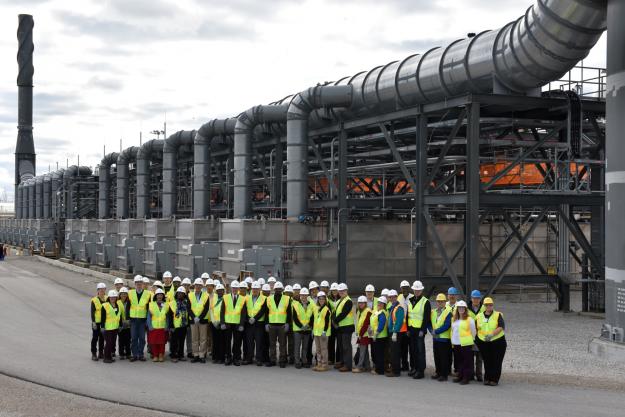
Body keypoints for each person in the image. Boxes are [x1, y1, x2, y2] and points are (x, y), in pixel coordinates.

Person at [475, 297, 506, 386]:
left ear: (493, 305)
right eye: (487, 305)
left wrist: (492, 335)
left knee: (496, 361)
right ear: (484, 306)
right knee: (487, 361)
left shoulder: (498, 315)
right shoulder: (478, 316)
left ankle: (494, 379)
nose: (488, 306)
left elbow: (501, 326)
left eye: (490, 305)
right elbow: (476, 329)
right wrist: (478, 340)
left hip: (498, 342)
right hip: (484, 342)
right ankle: (487, 378)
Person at [407, 280, 431, 379]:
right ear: (413, 290)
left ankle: (421, 371)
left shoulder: (426, 302)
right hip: (411, 328)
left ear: (421, 290)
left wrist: (423, 330)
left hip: (419, 330)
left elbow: (426, 317)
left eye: (418, 290)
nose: (416, 291)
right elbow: (408, 315)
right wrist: (408, 328)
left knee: (420, 350)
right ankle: (414, 368)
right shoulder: (410, 300)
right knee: (413, 350)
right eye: (415, 290)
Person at [220, 280, 246, 366]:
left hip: (237, 324)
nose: (235, 289)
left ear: (238, 289)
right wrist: (222, 322)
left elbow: (243, 313)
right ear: (231, 288)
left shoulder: (242, 299)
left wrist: (242, 324)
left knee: (237, 342)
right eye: (233, 288)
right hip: (227, 323)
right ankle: (228, 357)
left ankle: (236, 358)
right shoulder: (226, 297)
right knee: (227, 341)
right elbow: (222, 311)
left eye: (236, 288)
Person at [451, 300, 476, 385]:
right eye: (459, 308)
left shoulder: (470, 320)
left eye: (463, 308)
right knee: (459, 361)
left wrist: (471, 340)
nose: (461, 309)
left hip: (466, 344)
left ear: (465, 309)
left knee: (466, 361)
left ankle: (466, 378)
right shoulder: (454, 319)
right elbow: (453, 331)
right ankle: (460, 376)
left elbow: (473, 331)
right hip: (456, 343)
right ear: (457, 309)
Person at [266, 281, 291, 368]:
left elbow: (289, 313)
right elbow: (266, 312)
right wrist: (266, 323)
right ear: (274, 289)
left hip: (282, 325)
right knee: (272, 344)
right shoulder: (269, 299)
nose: (278, 290)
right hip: (272, 325)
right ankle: (272, 360)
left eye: (280, 289)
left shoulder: (287, 299)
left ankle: (282, 360)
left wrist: (287, 323)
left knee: (282, 344)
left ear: (282, 290)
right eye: (277, 289)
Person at [429, 293, 452, 381]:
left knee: (444, 357)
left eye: (442, 302)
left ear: (445, 302)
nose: (440, 303)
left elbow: (447, 325)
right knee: (437, 356)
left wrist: (436, 331)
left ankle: (444, 374)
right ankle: (438, 372)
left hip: (444, 339)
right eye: (438, 301)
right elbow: (429, 323)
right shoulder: (433, 312)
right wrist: (431, 331)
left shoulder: (448, 312)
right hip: (435, 338)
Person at [245, 281, 268, 366]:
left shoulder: (264, 298)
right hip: (249, 324)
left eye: (256, 289)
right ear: (251, 289)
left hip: (259, 324)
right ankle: (249, 358)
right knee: (249, 342)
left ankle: (259, 359)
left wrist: (255, 318)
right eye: (253, 289)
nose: (255, 290)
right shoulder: (247, 298)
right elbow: (244, 310)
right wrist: (248, 319)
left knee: (259, 342)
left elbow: (263, 310)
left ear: (259, 289)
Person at [128, 275, 151, 362]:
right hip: (133, 319)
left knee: (141, 338)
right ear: (135, 284)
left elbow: (149, 308)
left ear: (142, 284)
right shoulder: (130, 293)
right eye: (137, 283)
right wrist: (127, 318)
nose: (139, 285)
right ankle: (134, 355)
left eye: (140, 283)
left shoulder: (147, 294)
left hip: (142, 320)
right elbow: (128, 307)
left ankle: (140, 354)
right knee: (133, 338)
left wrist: (148, 320)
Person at [332, 283, 354, 372]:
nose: (341, 292)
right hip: (340, 327)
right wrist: (333, 320)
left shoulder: (348, 301)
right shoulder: (339, 301)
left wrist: (335, 321)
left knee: (346, 347)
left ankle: (348, 365)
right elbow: (334, 312)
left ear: (346, 291)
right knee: (341, 346)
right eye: (340, 291)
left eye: (343, 291)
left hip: (347, 327)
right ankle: (342, 362)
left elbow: (344, 313)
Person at [188, 278, 210, 363]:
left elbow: (206, 308)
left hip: (202, 320)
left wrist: (199, 317)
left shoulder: (206, 295)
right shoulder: (190, 295)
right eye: (196, 285)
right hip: (193, 320)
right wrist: (194, 317)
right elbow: (188, 308)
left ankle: (202, 355)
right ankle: (195, 355)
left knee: (203, 338)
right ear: (194, 286)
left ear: (202, 286)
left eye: (199, 285)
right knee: (194, 338)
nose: (197, 286)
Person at [292, 287, 314, 369]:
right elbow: (295, 318)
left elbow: (312, 318)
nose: (304, 297)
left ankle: (304, 361)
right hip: (298, 329)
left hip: (307, 329)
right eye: (302, 295)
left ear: (307, 296)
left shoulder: (311, 305)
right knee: (297, 347)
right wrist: (301, 326)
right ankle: (297, 362)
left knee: (305, 347)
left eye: (305, 295)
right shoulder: (296, 305)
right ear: (300, 296)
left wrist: (308, 325)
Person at [147, 288, 169, 362]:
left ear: (163, 296)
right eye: (158, 295)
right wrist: (150, 326)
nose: (159, 296)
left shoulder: (166, 305)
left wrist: (167, 325)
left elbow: (167, 317)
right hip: (154, 327)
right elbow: (149, 317)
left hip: (162, 327)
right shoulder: (151, 305)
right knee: (154, 343)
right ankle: (155, 355)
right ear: (155, 296)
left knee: (162, 343)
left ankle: (161, 355)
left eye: (161, 295)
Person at [387, 289, 406, 377]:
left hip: (397, 332)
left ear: (396, 297)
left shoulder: (399, 307)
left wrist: (394, 332)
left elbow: (399, 321)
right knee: (393, 351)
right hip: (392, 332)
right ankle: (393, 368)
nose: (391, 299)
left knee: (395, 352)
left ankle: (396, 371)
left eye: (393, 297)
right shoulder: (392, 306)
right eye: (390, 297)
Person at [468, 289, 485, 381]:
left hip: (480, 335)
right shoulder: (467, 308)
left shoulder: (484, 308)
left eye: (478, 298)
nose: (476, 300)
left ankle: (479, 375)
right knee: (470, 356)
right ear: (471, 298)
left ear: (480, 299)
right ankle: (470, 374)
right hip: (470, 335)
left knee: (479, 357)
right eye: (474, 298)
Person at [100, 290, 122, 364]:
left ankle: (109, 357)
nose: (113, 298)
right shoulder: (105, 305)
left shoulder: (117, 306)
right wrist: (102, 327)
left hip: (115, 328)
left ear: (116, 298)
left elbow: (119, 316)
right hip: (107, 328)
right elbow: (102, 318)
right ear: (109, 298)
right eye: (111, 297)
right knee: (108, 343)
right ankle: (106, 358)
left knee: (112, 343)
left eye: (114, 297)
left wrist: (120, 325)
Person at [312, 291, 331, 372]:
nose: (321, 300)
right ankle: (319, 363)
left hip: (323, 333)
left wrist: (324, 331)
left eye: (323, 299)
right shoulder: (316, 309)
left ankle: (324, 364)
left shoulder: (326, 309)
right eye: (320, 299)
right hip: (316, 332)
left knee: (324, 349)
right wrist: (313, 330)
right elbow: (314, 320)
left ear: (325, 300)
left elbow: (327, 322)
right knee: (318, 349)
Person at [169, 286, 189, 362]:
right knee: (174, 341)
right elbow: (170, 316)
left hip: (183, 325)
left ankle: (181, 355)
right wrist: (171, 326)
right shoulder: (172, 303)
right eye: (179, 293)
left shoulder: (187, 303)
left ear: (184, 295)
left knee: (182, 341)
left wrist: (188, 324)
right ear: (176, 294)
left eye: (182, 293)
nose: (180, 295)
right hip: (175, 325)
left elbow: (188, 314)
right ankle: (173, 355)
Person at [353, 295, 372, 373]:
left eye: (362, 303)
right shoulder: (359, 311)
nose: (360, 304)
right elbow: (358, 323)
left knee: (362, 351)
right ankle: (367, 366)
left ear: (365, 303)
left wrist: (360, 334)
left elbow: (366, 324)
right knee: (365, 351)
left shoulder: (368, 311)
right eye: (359, 303)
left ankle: (359, 366)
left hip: (365, 334)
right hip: (361, 334)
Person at [370, 296, 388, 375]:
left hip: (380, 336)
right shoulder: (376, 311)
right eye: (379, 303)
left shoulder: (382, 313)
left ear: (384, 305)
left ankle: (380, 370)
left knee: (379, 354)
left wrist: (376, 333)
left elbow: (381, 325)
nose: (380, 304)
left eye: (382, 303)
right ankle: (378, 368)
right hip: (374, 336)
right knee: (376, 353)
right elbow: (373, 322)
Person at [90, 283, 108, 361]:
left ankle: (101, 353)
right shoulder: (94, 300)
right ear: (97, 290)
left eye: (103, 289)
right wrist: (93, 322)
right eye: (100, 289)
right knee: (95, 338)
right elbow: (92, 312)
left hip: (104, 322)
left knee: (102, 338)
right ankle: (94, 353)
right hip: (96, 323)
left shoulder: (107, 299)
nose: (102, 291)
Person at [397, 280, 412, 371]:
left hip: (410, 325)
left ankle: (411, 365)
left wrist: (409, 328)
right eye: (403, 288)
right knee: (403, 347)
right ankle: (404, 365)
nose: (405, 290)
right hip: (401, 326)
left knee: (411, 348)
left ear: (409, 288)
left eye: (406, 288)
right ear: (401, 289)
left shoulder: (413, 297)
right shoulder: (399, 297)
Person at [446, 286, 461, 374]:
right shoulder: (445, 305)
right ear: (448, 295)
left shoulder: (460, 305)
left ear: (457, 296)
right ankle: (447, 370)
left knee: (457, 353)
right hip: (447, 333)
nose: (452, 296)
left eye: (454, 295)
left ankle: (457, 370)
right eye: (450, 294)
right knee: (447, 353)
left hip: (456, 334)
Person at [211, 284, 226, 364]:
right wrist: (213, 322)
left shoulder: (226, 299)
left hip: (222, 323)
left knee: (222, 341)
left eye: (221, 290)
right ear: (216, 291)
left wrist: (222, 322)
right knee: (215, 341)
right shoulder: (213, 299)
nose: (220, 292)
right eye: (218, 290)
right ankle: (215, 357)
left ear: (224, 291)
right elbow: (211, 311)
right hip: (214, 323)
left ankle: (221, 358)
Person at [181, 277, 193, 358]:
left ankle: (189, 351)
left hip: (189, 319)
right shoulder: (179, 294)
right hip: (181, 319)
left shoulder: (191, 295)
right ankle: (180, 352)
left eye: (187, 285)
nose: (186, 287)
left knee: (190, 337)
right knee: (181, 338)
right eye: (185, 285)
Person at [117, 287, 131, 360]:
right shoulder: (117, 302)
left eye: (125, 294)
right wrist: (120, 323)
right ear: (120, 294)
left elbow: (131, 312)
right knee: (121, 340)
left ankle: (128, 353)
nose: (124, 295)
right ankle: (121, 354)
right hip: (121, 324)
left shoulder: (129, 302)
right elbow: (116, 314)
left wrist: (129, 321)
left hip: (128, 324)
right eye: (122, 294)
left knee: (128, 340)